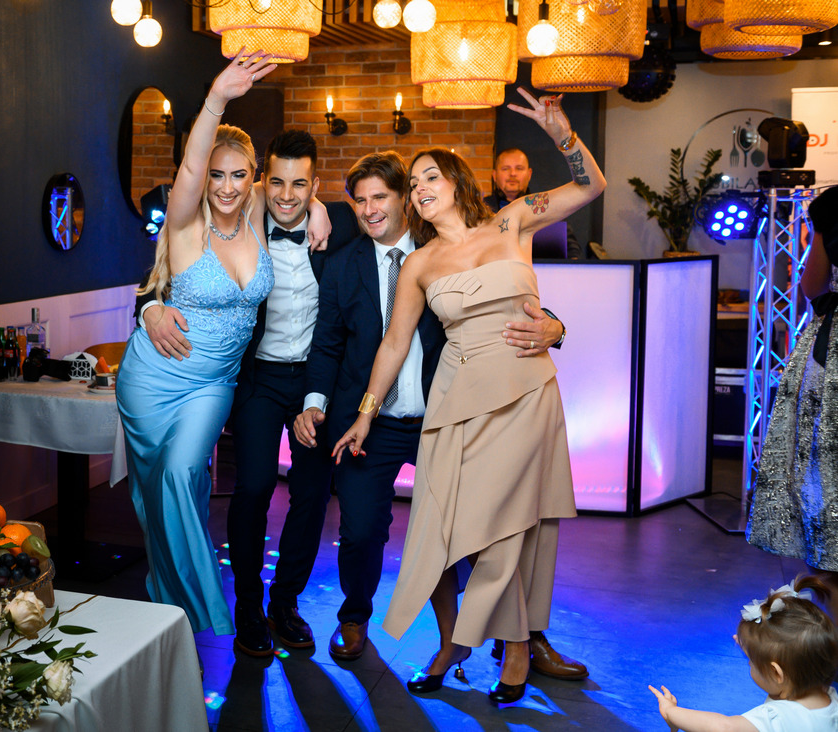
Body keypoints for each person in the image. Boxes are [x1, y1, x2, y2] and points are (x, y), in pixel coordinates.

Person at [330, 88, 605, 702]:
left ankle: (515, 646)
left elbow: (590, 186)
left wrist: (561, 132)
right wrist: (366, 415)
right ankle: (455, 640)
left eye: (431, 175)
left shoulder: (510, 222)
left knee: (510, 526)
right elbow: (394, 344)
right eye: (414, 183)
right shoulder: (420, 264)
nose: (421, 187)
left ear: (456, 181)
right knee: (441, 525)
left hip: (526, 392)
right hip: (457, 401)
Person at [295, 149, 569, 667]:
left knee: (484, 527)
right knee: (362, 530)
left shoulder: (445, 242)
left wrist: (556, 326)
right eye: (360, 201)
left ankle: (520, 637)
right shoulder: (341, 264)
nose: (371, 209)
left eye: (382, 197)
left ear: (405, 199)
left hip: (450, 415)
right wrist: (342, 410)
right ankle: (364, 619)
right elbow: (338, 343)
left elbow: (507, 302)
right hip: (374, 423)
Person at [137, 130, 359, 656]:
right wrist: (148, 309)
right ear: (263, 182)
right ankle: (248, 606)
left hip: (315, 381)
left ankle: (286, 602)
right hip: (257, 377)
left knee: (311, 494)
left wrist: (319, 209)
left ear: (316, 186)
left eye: (301, 185)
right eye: (277, 183)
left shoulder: (342, 225)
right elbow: (165, 277)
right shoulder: (242, 216)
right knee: (254, 486)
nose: (287, 195)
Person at [116, 50, 289, 637]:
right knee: (163, 487)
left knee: (182, 473)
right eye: (217, 175)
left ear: (253, 177)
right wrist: (217, 98)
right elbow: (189, 170)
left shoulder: (258, 208)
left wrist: (316, 208)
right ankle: (175, 608)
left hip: (214, 383)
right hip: (153, 379)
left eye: (239, 175)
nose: (226, 187)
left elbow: (295, 192)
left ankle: (190, 607)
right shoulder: (187, 221)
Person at [748, 185, 838, 619]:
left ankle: (831, 632)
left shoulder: (833, 208)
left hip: (832, 358)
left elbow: (813, 284)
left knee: (824, 475)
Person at [649, 576, 838, 731]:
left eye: (751, 661)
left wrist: (671, 712)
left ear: (776, 673)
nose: (749, 663)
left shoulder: (776, 718)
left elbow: (724, 728)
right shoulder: (829, 697)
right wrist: (754, 648)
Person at [485, 147, 583, 259]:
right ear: (494, 175)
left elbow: (572, 250)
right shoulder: (480, 209)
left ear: (529, 174)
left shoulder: (545, 207)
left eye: (519, 168)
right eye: (506, 169)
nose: (512, 174)